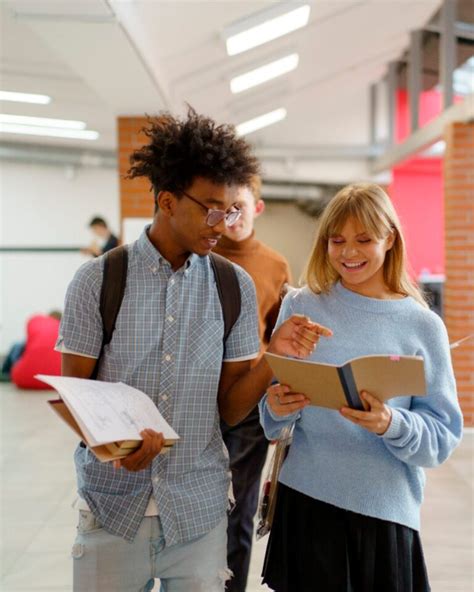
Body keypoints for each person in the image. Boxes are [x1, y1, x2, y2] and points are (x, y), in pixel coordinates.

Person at [56, 108, 324, 592]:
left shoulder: (233, 286)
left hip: (198, 513)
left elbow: (230, 406)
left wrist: (272, 358)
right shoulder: (98, 280)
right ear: (167, 201)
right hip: (111, 509)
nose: (224, 222)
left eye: (233, 210)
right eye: (211, 208)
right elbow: (73, 395)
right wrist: (114, 448)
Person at [259, 183, 463, 592]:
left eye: (364, 239)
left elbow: (441, 438)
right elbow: (271, 424)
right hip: (306, 501)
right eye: (338, 241)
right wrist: (278, 405)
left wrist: (391, 423)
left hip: (384, 511)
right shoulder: (301, 306)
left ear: (390, 239)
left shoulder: (422, 326)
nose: (349, 252)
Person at [213, 175, 292, 592]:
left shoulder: (275, 264)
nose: (231, 217)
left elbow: (280, 340)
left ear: (257, 208)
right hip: (199, 400)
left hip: (250, 405)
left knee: (238, 512)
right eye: (223, 208)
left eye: (239, 207)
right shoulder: (198, 257)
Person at [5, 311, 62, 389]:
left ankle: (5, 372)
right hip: (55, 374)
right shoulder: (60, 330)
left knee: (17, 345)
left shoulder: (41, 325)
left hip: (26, 370)